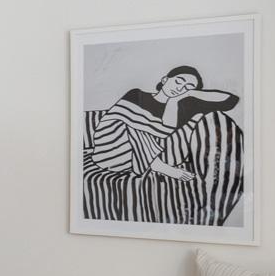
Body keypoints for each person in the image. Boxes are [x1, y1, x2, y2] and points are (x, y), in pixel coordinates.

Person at [83, 66, 243, 224]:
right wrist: (138, 122)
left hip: (132, 160)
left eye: (187, 87)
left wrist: (186, 95)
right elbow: (119, 121)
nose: (180, 88)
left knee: (137, 125)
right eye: (178, 81)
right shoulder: (136, 95)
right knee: (127, 122)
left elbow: (230, 100)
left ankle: (156, 164)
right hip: (108, 151)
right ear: (165, 80)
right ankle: (159, 165)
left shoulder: (187, 107)